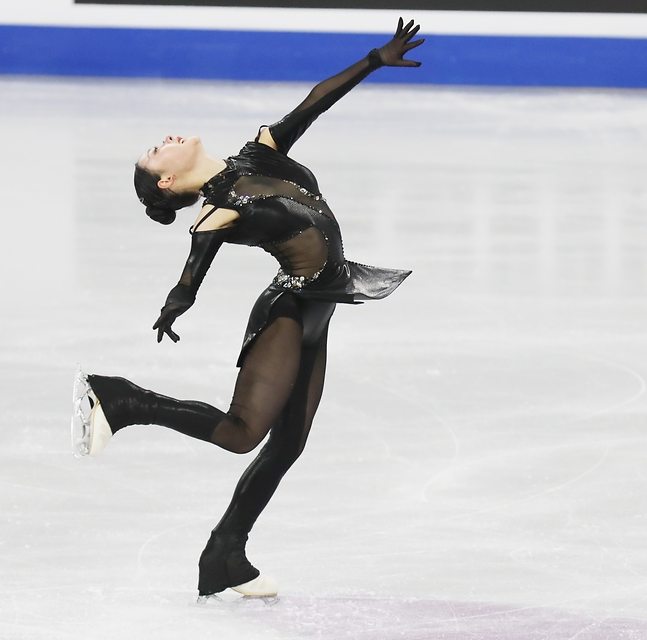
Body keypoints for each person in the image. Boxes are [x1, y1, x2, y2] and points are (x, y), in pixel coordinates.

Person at [72, 18, 424, 599]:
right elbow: (196, 258)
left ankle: (225, 554)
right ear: (167, 181)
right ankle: (120, 398)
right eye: (158, 150)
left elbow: (312, 105)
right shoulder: (220, 208)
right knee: (242, 434)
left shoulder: (257, 156)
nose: (167, 137)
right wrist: (177, 301)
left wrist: (372, 61)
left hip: (322, 303)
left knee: (289, 444)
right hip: (286, 312)